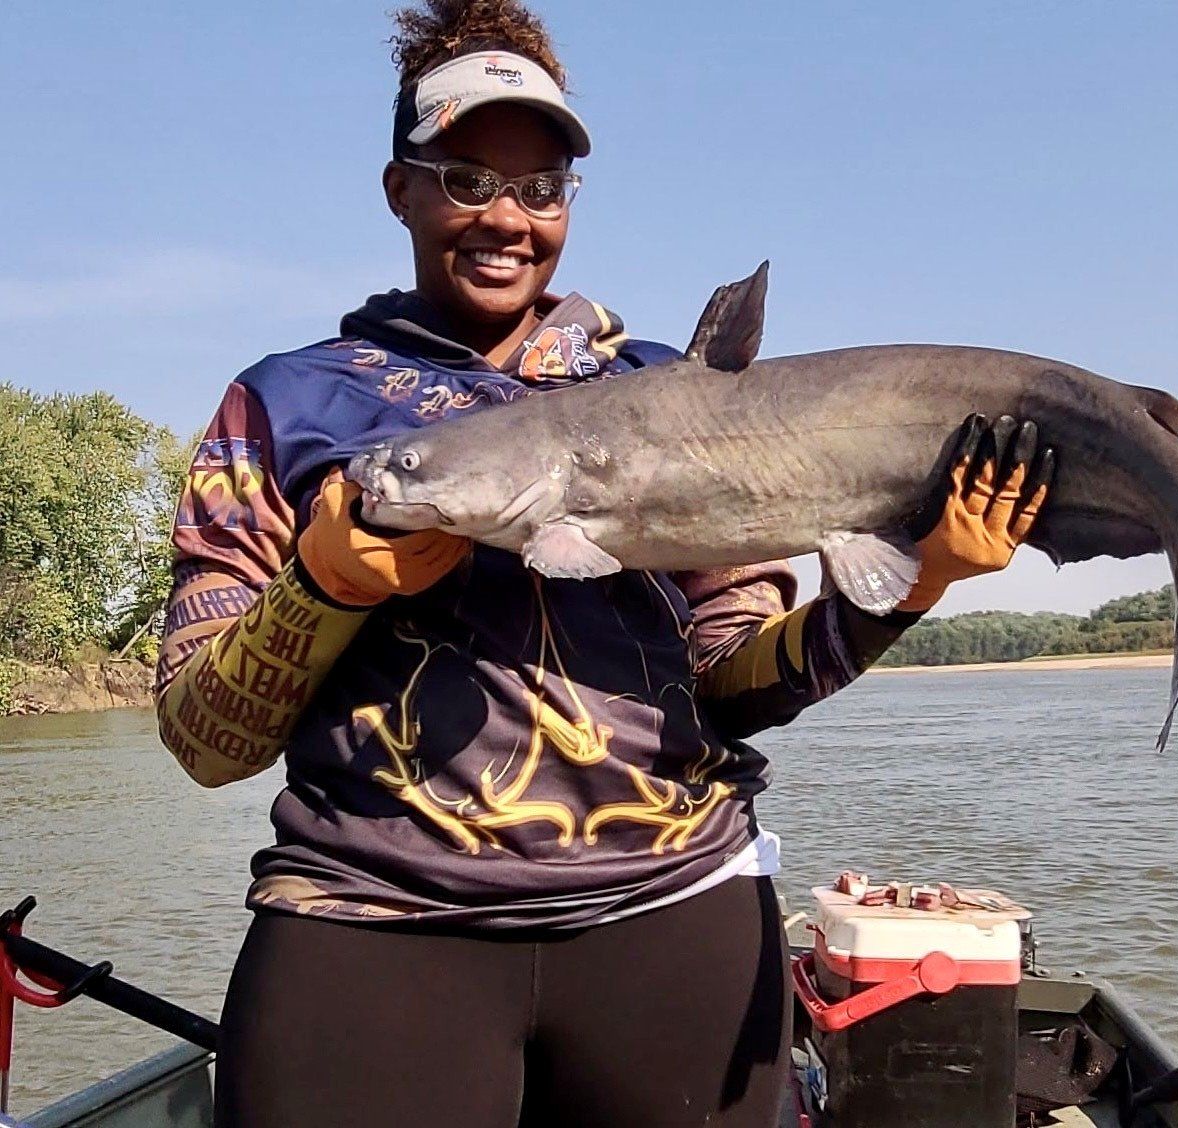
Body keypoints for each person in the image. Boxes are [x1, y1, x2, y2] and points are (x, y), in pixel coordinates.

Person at [154, 2, 1051, 1125]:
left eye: (539, 189)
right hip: (373, 919)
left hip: (670, 918)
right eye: (466, 177)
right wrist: (322, 588)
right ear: (400, 187)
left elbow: (733, 681)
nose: (505, 218)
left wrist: (906, 587)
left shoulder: (684, 397)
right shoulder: (287, 405)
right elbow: (202, 737)